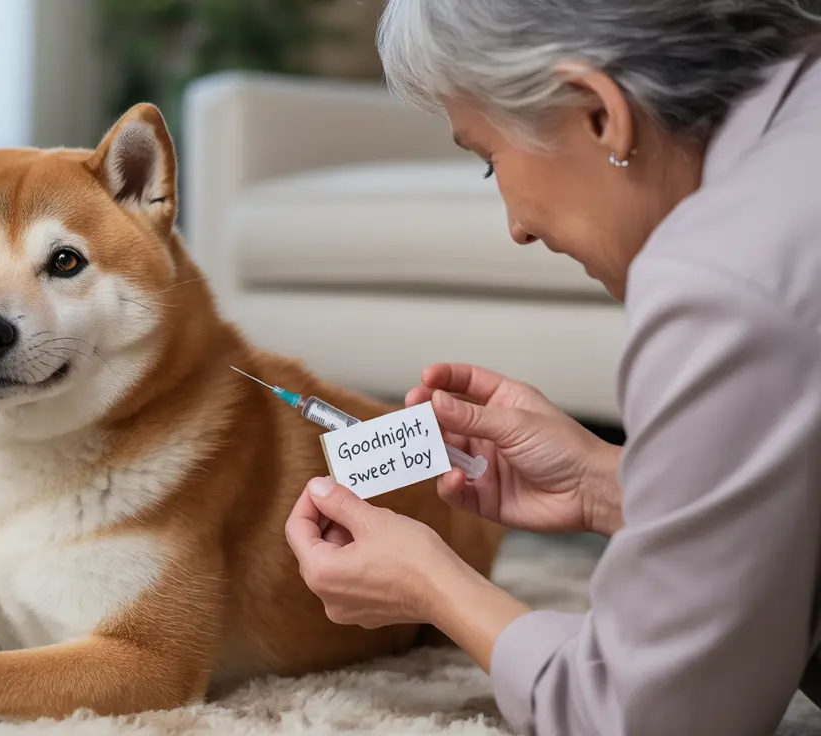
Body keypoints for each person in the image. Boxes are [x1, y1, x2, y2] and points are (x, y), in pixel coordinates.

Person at [283, 1, 821, 734]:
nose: (517, 227)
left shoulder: (721, 280)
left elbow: (655, 717)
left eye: (488, 160)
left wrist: (432, 585)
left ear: (600, 112)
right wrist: (611, 487)